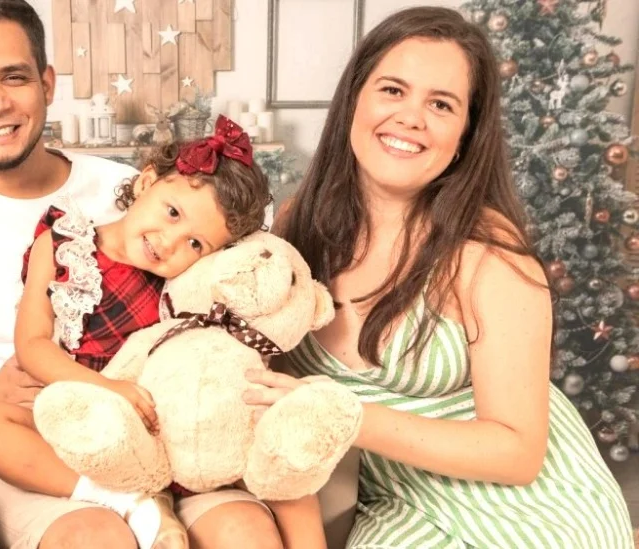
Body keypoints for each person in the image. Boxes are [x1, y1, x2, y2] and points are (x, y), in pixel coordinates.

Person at [0, 1, 290, 548]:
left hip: (162, 427)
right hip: (30, 445)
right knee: (95, 538)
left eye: (14, 77)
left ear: (47, 83)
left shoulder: (134, 194)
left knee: (244, 531)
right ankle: (127, 505)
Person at [253, 6, 633, 548]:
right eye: (392, 90)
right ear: (355, 99)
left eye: (440, 104)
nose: (411, 118)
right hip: (396, 500)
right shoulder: (298, 226)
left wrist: (345, 416)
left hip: (525, 511)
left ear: (465, 135)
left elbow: (517, 453)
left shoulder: (489, 257)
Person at [0, 116, 272, 549]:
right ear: (145, 182)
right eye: (173, 213)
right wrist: (107, 389)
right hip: (76, 415)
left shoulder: (191, 282)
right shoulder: (64, 244)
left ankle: (151, 491)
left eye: (196, 243)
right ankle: (127, 502)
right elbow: (31, 346)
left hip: (151, 432)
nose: (171, 241)